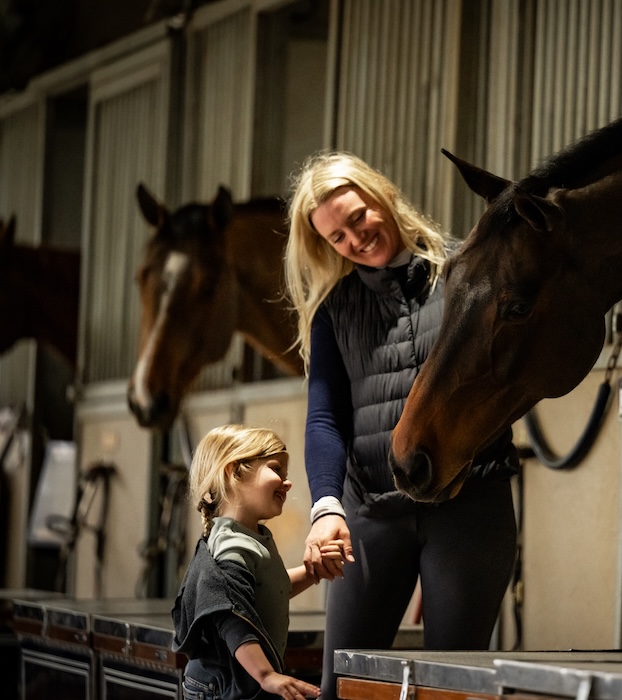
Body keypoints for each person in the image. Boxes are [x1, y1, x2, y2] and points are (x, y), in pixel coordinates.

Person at [284, 151, 519, 698]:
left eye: (358, 216)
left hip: (469, 508)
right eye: (337, 237)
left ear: (381, 194)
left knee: (448, 689)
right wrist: (325, 509)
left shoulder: (467, 272)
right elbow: (324, 419)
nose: (355, 239)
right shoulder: (334, 311)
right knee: (341, 687)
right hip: (370, 512)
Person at [172, 424, 343, 700]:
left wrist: (313, 573)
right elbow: (230, 618)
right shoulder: (231, 546)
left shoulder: (251, 537)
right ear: (233, 471)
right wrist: (266, 675)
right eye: (276, 469)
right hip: (222, 685)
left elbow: (270, 588)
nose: (287, 483)